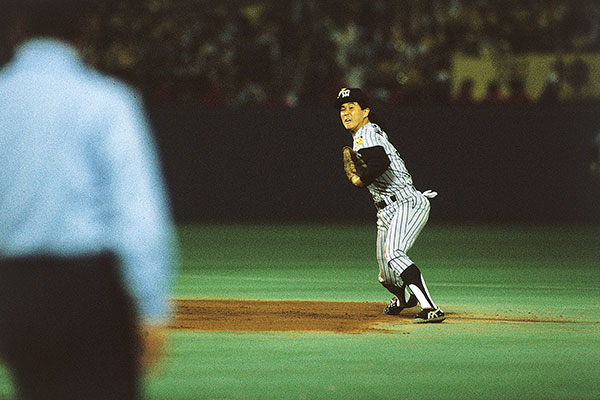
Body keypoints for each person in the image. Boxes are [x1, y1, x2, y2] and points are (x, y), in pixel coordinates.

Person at [0, 1, 176, 399]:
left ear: (16, 30)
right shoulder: (107, 101)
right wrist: (151, 307)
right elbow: (138, 216)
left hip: (13, 288)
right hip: (86, 288)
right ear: (85, 31)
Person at [337, 88, 445, 323]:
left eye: (352, 108)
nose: (346, 113)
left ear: (365, 111)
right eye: (342, 109)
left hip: (407, 203)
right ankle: (404, 299)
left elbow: (380, 162)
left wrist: (359, 180)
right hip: (386, 210)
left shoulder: (367, 132)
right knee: (386, 276)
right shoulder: (364, 134)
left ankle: (431, 307)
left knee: (395, 253)